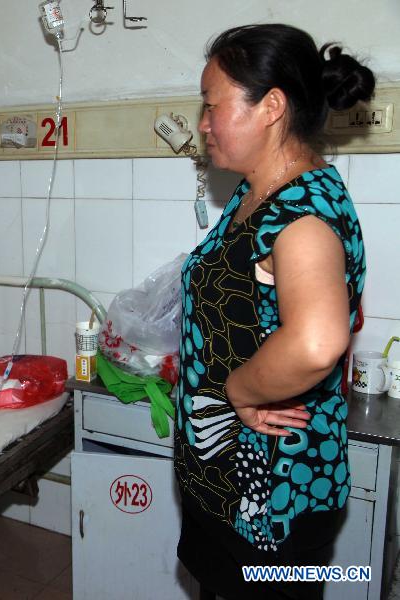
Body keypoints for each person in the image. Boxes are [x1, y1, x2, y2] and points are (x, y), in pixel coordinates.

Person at [174, 24, 374, 599]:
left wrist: (238, 391)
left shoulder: (302, 215)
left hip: (274, 494)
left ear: (272, 107)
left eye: (213, 106)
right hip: (224, 475)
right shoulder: (257, 192)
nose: (204, 123)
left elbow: (317, 342)